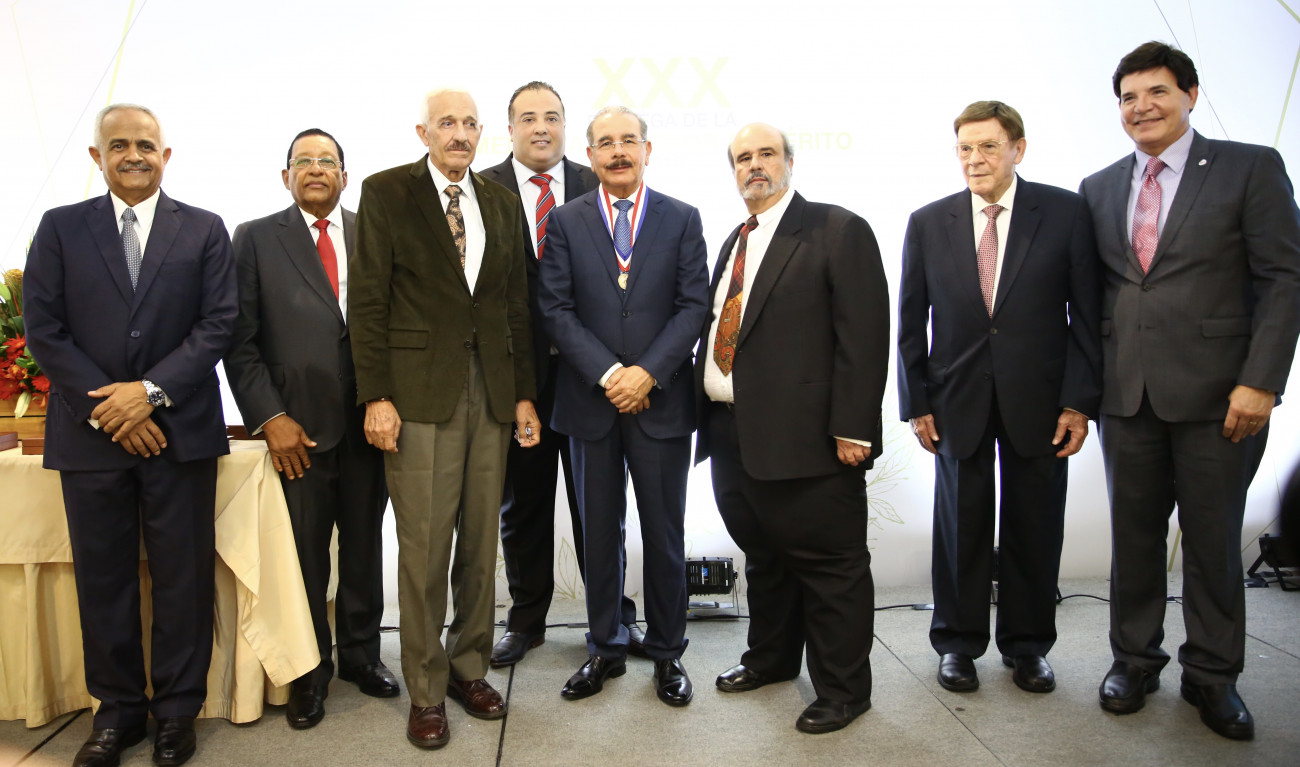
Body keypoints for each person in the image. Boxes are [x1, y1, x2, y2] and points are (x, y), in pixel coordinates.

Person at [1079, 41, 1300, 740]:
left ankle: (1212, 675)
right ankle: (1134, 661)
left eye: (1157, 92)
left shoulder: (1249, 168)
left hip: (1222, 398)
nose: (1141, 107)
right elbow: (1094, 296)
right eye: (1128, 97)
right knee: (1134, 540)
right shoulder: (1098, 187)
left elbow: (1283, 279)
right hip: (1127, 396)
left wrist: (1261, 382)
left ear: (1191, 95)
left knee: (1211, 542)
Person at [24, 103, 237, 767]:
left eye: (146, 144)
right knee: (104, 582)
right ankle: (116, 715)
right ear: (98, 157)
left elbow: (218, 324)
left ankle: (176, 712)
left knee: (182, 579)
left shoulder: (204, 229)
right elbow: (44, 330)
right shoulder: (60, 228)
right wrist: (108, 408)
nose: (133, 155)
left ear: (165, 155)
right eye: (118, 145)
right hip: (90, 439)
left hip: (180, 433)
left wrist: (147, 395)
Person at [347, 88, 540, 749]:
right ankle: (426, 690)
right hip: (417, 396)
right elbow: (367, 301)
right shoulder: (386, 192)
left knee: (482, 545)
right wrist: (375, 395)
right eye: (447, 123)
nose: (459, 134)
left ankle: (468, 668)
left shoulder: (502, 202)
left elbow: (515, 305)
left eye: (470, 124)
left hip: (492, 394)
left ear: (483, 133)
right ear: (423, 132)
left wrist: (523, 395)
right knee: (425, 550)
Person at [897, 101, 1102, 696]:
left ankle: (1028, 646)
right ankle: (957, 644)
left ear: (1018, 149)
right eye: (965, 148)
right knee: (959, 529)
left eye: (988, 146)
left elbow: (1087, 318)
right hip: (954, 399)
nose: (975, 159)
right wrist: (917, 402)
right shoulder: (928, 221)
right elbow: (909, 322)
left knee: (1034, 527)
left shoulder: (1064, 212)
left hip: (1042, 402)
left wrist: (1079, 402)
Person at [695, 123, 889, 733]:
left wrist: (854, 428)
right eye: (742, 158)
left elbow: (864, 338)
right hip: (732, 436)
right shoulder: (736, 240)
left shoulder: (839, 230)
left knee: (831, 570)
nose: (754, 165)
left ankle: (844, 691)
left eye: (766, 154)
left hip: (811, 442)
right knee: (766, 560)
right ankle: (772, 660)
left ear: (790, 162)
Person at [223, 128, 396, 730]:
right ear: (286, 176)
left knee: (365, 548)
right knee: (303, 556)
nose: (316, 168)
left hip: (368, 422)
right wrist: (270, 418)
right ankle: (308, 672)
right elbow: (239, 341)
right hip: (295, 430)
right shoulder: (254, 238)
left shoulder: (372, 232)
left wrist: (387, 401)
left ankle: (362, 656)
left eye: (327, 160)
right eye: (304, 161)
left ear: (345, 176)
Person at [538, 106, 709, 706]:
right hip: (590, 404)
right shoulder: (565, 221)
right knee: (598, 536)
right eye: (605, 143)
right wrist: (613, 374)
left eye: (628, 141)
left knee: (664, 535)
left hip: (661, 405)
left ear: (647, 149)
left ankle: (667, 653)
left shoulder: (682, 217)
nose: (618, 151)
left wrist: (647, 374)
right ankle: (605, 648)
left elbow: (693, 306)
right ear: (589, 157)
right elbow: (555, 308)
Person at [477, 82, 642, 667]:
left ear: (566, 127)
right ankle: (526, 620)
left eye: (551, 116)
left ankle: (614, 616)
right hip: (514, 377)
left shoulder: (598, 180)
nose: (541, 127)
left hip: (590, 373)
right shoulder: (481, 190)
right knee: (521, 505)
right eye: (528, 118)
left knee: (599, 505)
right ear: (510, 129)